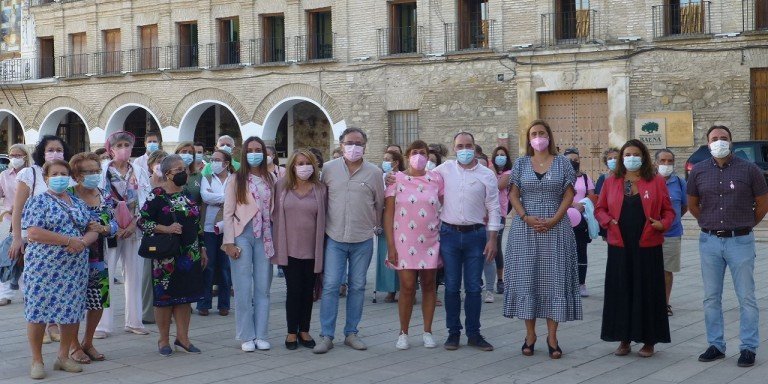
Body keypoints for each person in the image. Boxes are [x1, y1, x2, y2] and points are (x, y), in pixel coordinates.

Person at [688, 125, 768, 368]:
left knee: (746, 297)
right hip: (710, 241)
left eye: (724, 138)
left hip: (740, 241)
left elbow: (762, 203)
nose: (719, 142)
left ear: (731, 142)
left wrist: (744, 225)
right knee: (711, 297)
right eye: (714, 138)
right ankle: (716, 344)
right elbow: (693, 204)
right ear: (708, 143)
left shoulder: (750, 169)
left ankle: (748, 347)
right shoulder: (699, 171)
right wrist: (709, 223)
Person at [505, 120, 582, 359]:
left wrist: (555, 219)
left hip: (556, 229)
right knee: (527, 278)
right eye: (534, 134)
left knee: (554, 279)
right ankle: (530, 334)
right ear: (528, 139)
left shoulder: (562, 163)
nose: (538, 137)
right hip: (525, 229)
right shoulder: (520, 163)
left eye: (542, 133)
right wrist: (526, 217)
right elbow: (513, 193)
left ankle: (552, 336)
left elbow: (569, 194)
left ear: (550, 136)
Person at [595, 139, 674, 358]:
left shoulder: (656, 181)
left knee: (648, 291)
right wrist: (607, 221)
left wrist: (662, 224)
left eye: (636, 154)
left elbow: (669, 211)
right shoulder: (611, 181)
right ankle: (623, 339)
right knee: (621, 290)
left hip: (647, 244)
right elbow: (599, 208)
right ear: (622, 158)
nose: (631, 158)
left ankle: (649, 341)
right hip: (620, 245)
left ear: (644, 157)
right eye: (627, 154)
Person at [23, 159, 100, 379]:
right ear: (46, 178)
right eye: (54, 174)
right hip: (43, 267)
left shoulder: (78, 203)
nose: (59, 177)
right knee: (37, 313)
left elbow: (93, 228)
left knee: (71, 311)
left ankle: (63, 356)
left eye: (63, 174)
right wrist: (68, 240)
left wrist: (83, 242)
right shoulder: (38, 202)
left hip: (74, 267)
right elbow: (34, 233)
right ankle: (37, 360)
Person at [313, 127, 385, 354]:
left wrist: (378, 227)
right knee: (332, 285)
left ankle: (351, 333)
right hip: (334, 237)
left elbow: (379, 203)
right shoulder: (328, 169)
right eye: (349, 143)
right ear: (341, 144)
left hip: (362, 238)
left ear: (365, 145)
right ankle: (326, 335)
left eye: (358, 143)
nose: (354, 147)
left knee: (358, 286)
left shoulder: (374, 172)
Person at [433, 132, 500, 351]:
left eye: (468, 145)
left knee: (473, 287)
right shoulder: (444, 170)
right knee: (451, 286)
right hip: (449, 235)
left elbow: (493, 207)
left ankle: (474, 333)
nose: (464, 150)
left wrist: (493, 239)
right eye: (460, 146)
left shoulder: (486, 174)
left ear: (475, 147)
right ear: (454, 149)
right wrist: (393, 177)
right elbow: (420, 179)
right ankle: (453, 333)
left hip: (476, 235)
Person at [138, 154, 207, 356]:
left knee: (185, 297)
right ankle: (163, 340)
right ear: (167, 174)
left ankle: (183, 338)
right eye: (179, 170)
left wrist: (202, 247)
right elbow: (142, 221)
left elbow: (197, 225)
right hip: (166, 257)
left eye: (185, 169)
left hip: (190, 255)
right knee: (165, 299)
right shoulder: (157, 195)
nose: (184, 173)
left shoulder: (188, 195)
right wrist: (165, 228)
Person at [11, 135, 72, 343]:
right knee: (37, 285)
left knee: (58, 284)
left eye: (59, 149)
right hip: (35, 239)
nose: (55, 153)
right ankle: (40, 324)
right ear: (42, 153)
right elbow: (18, 208)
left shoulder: (66, 174)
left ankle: (53, 325)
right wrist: (17, 237)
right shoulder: (31, 174)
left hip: (61, 240)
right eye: (51, 150)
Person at [384, 140, 444, 350]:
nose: (418, 156)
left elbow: (444, 204)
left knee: (429, 285)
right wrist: (390, 246)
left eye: (423, 152)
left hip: (430, 240)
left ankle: (427, 331)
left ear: (428, 156)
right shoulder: (396, 179)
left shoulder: (436, 179)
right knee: (407, 287)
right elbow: (389, 213)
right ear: (408, 155)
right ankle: (403, 332)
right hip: (403, 241)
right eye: (415, 152)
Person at [222, 136, 276, 352]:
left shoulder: (271, 178)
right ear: (244, 154)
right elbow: (227, 212)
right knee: (243, 287)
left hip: (265, 236)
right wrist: (229, 242)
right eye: (250, 149)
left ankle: (261, 334)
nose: (255, 153)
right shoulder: (236, 179)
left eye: (258, 149)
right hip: (242, 235)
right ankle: (246, 335)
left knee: (263, 288)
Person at [272, 149, 326, 350]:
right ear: (292, 166)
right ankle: (291, 332)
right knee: (293, 290)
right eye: (299, 163)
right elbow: (274, 215)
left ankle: (305, 329)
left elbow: (326, 216)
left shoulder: (320, 189)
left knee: (308, 291)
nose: (304, 167)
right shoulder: (281, 187)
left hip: (313, 249)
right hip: (289, 248)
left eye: (307, 163)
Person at [96, 131, 148, 338]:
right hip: (110, 230)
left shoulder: (139, 171)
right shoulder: (102, 171)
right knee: (105, 275)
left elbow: (146, 198)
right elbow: (97, 199)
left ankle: (134, 321)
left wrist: (134, 223)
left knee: (135, 274)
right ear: (111, 149)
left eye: (127, 144)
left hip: (134, 228)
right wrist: (112, 226)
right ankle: (102, 324)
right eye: (119, 145)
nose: (123, 149)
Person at [68, 153, 118, 364]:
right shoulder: (67, 195)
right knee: (71, 302)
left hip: (98, 256)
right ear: (77, 175)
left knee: (97, 301)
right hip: (71, 258)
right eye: (88, 172)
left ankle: (88, 342)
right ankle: (73, 345)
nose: (94, 175)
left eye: (96, 171)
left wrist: (105, 228)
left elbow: (115, 224)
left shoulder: (105, 195)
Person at [197, 149, 233, 317]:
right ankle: (204, 303)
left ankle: (224, 304)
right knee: (208, 265)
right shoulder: (207, 178)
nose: (214, 162)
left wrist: (217, 197)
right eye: (212, 159)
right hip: (210, 227)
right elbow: (205, 197)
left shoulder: (235, 179)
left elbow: (237, 197)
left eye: (218, 160)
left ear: (226, 163)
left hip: (229, 227)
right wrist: (226, 198)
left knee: (225, 267)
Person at [655, 148, 687, 316]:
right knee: (649, 269)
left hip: (672, 233)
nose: (666, 164)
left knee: (667, 270)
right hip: (650, 234)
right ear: (655, 163)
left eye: (670, 161)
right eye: (662, 161)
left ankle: (664, 303)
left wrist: (671, 221)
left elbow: (684, 205)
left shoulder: (680, 183)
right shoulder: (648, 181)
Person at [139, 150, 168, 325]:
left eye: (164, 162)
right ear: (150, 165)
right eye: (158, 162)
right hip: (150, 234)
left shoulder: (171, 185)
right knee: (148, 275)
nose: (160, 166)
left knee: (167, 274)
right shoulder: (145, 184)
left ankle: (167, 311)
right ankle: (147, 312)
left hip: (170, 235)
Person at [563, 147, 596, 298]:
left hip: (581, 220)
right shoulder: (559, 177)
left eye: (576, 160)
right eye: (570, 160)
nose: (573, 162)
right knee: (563, 251)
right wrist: (571, 205)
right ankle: (565, 282)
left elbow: (592, 196)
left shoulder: (584, 178)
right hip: (562, 218)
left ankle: (581, 283)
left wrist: (583, 204)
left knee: (581, 250)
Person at [0, 143, 29, 306]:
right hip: (9, 221)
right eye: (12, 155)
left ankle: (27, 292)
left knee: (25, 257)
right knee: (7, 256)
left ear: (25, 156)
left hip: (29, 221)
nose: (15, 158)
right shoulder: (4, 175)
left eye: (18, 155)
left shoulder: (31, 174)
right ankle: (5, 293)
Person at [484, 146, 511, 301]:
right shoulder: (491, 172)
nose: (500, 157)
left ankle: (500, 279)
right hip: (484, 214)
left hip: (499, 213)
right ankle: (486, 280)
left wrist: (491, 169)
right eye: (498, 155)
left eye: (503, 155)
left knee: (497, 246)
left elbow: (497, 187)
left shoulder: (508, 173)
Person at [377, 149, 404, 303]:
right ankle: (390, 289)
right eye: (384, 158)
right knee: (385, 252)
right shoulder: (381, 176)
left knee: (403, 254)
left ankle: (405, 288)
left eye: (388, 159)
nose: (385, 162)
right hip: (385, 218)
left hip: (401, 219)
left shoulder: (403, 177)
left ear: (396, 162)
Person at [174, 142, 203, 208]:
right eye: (184, 152)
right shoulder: (171, 174)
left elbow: (202, 199)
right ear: (177, 154)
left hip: (194, 214)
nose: (187, 154)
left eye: (190, 153)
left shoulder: (198, 175)